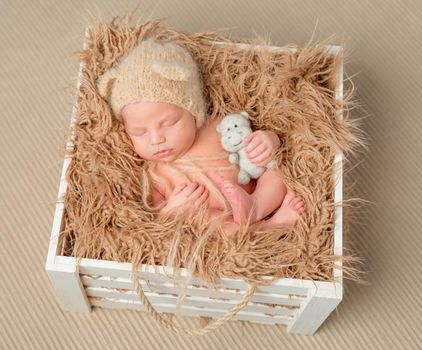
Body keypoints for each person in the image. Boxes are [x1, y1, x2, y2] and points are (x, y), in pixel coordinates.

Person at [97, 38, 304, 238]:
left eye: (169, 123)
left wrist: (267, 141)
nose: (156, 139)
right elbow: (156, 221)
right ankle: (272, 226)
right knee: (206, 223)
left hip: (255, 190)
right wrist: (172, 210)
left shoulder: (217, 126)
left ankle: (257, 207)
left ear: (193, 112)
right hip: (220, 217)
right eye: (139, 132)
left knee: (276, 168)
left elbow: (252, 137)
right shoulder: (155, 174)